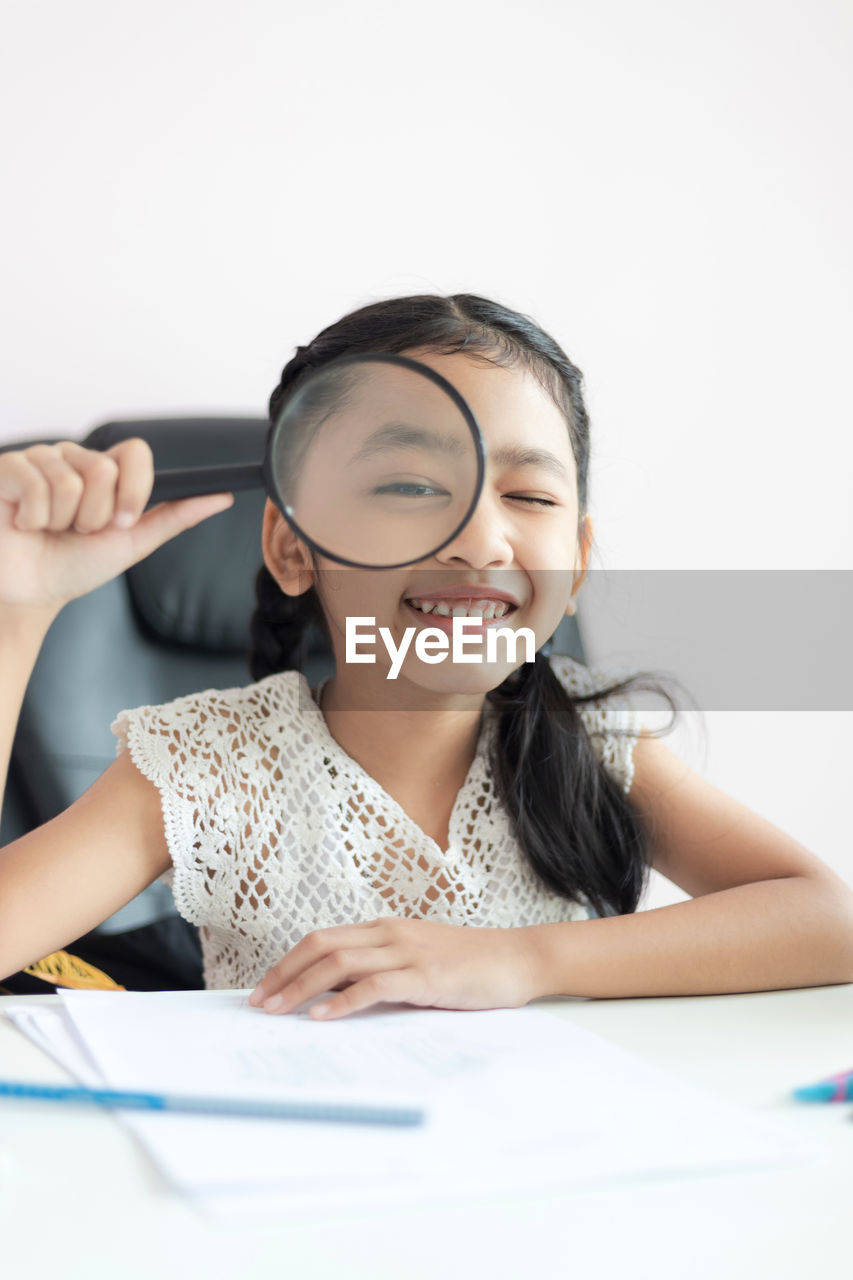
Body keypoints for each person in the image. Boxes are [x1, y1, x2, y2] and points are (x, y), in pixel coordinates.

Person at [1, 293, 852, 1018]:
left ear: (577, 561)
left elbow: (827, 919)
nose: (480, 539)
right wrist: (18, 610)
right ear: (293, 544)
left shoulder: (595, 741)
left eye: (527, 494)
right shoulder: (205, 765)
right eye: (411, 487)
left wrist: (525, 962)